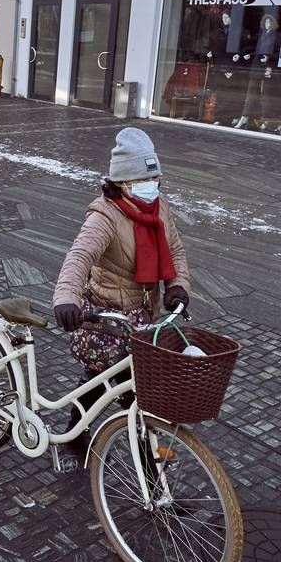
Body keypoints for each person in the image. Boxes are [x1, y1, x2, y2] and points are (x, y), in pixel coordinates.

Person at [52, 128, 192, 379]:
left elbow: (175, 250)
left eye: (154, 179)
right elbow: (79, 256)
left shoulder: (159, 209)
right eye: (141, 181)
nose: (150, 187)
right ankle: (77, 420)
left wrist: (177, 285)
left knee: (124, 386)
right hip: (107, 321)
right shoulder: (106, 216)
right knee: (104, 382)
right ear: (121, 182)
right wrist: (66, 298)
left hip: (144, 317)